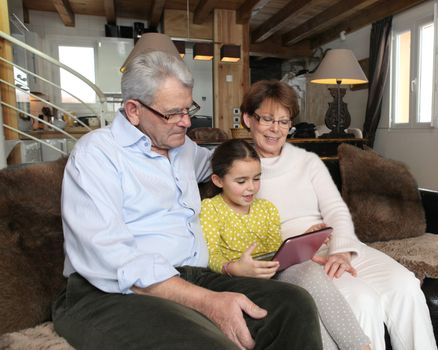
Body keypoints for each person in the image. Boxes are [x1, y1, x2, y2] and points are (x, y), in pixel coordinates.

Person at [52, 48, 322, 350]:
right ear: (133, 110)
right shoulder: (97, 154)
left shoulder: (182, 147)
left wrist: (264, 135)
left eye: (188, 109)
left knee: (292, 305)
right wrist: (208, 302)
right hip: (109, 291)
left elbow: (226, 167)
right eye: (172, 113)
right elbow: (113, 257)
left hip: (191, 275)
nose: (185, 122)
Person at [241, 79, 438, 350]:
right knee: (362, 301)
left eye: (284, 121)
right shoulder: (238, 170)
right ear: (248, 119)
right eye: (267, 119)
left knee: (405, 285)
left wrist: (342, 250)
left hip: (335, 244)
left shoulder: (307, 161)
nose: (276, 129)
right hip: (296, 261)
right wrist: (300, 242)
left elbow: (336, 209)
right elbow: (240, 228)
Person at [200, 139, 371, 350]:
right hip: (242, 279)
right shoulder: (210, 209)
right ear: (218, 180)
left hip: (274, 271)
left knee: (308, 271)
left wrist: (302, 244)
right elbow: (210, 256)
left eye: (257, 178)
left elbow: (276, 251)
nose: (251, 188)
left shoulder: (267, 208)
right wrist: (234, 268)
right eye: (241, 181)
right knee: (303, 303)